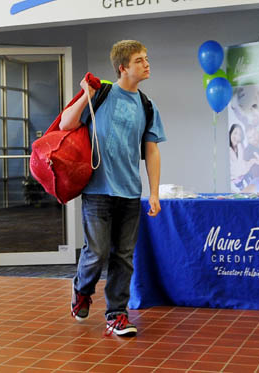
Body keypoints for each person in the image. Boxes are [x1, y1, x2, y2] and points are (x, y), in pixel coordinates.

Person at [59, 40, 166, 337]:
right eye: (139, 60)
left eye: (147, 58)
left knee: (123, 257)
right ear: (123, 68)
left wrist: (153, 193)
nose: (147, 64)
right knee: (97, 252)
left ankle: (117, 315)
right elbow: (66, 125)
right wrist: (85, 96)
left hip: (130, 193)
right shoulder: (102, 93)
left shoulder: (147, 105)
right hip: (97, 191)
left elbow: (152, 150)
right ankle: (81, 289)